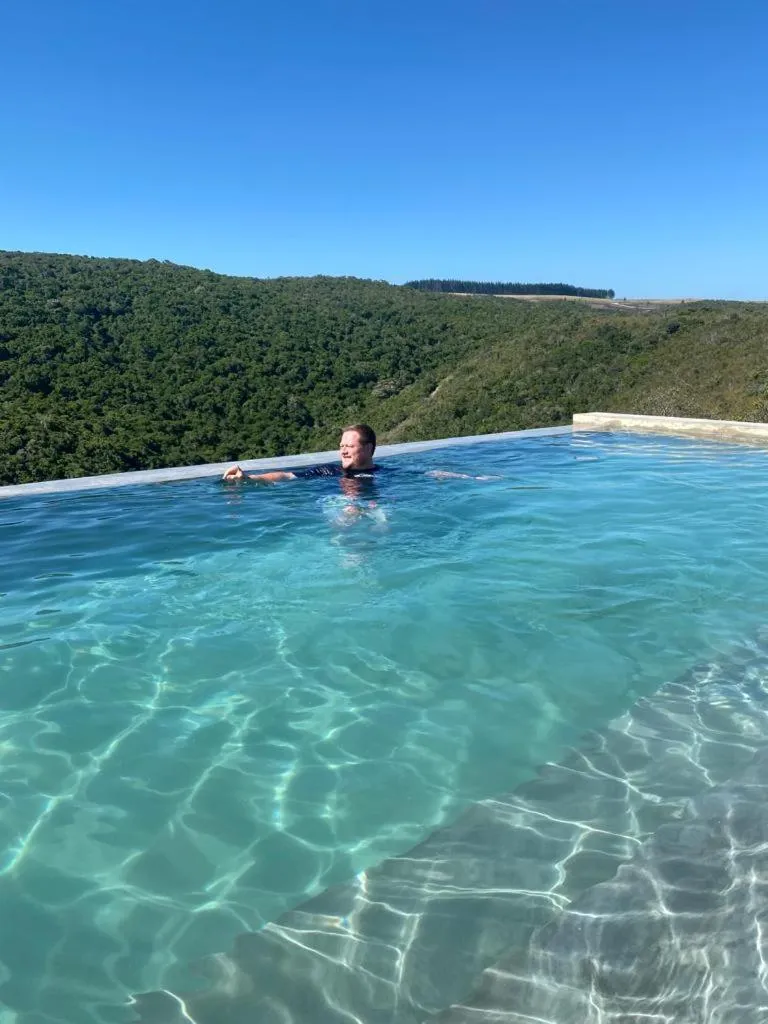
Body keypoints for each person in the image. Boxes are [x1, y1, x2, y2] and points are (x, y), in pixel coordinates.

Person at [222, 423, 496, 484]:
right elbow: (285, 474)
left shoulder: (382, 474)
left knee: (382, 522)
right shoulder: (329, 471)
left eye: (348, 446)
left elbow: (426, 474)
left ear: (368, 449)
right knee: (346, 516)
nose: (342, 449)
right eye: (341, 445)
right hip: (341, 507)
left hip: (376, 505)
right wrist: (250, 478)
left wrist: (469, 478)